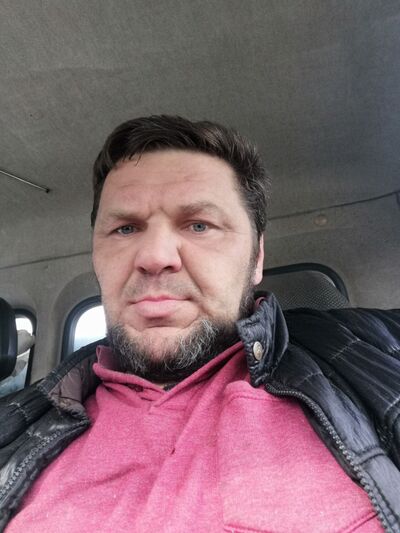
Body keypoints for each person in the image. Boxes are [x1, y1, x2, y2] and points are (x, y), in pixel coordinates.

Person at [0, 115, 399, 532]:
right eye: (125, 228)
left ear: (257, 257)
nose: (154, 257)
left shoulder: (378, 356)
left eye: (199, 225)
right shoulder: (14, 425)